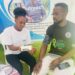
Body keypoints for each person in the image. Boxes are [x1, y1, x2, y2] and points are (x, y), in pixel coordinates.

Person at [32, 3, 75, 75]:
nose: (54, 16)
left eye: (56, 14)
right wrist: (40, 61)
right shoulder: (51, 28)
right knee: (36, 73)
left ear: (65, 13)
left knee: (60, 72)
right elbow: (45, 44)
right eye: (53, 14)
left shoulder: (73, 28)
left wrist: (60, 59)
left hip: (66, 59)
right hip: (51, 56)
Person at [1, 7, 36, 75]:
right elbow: (11, 48)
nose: (22, 25)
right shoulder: (8, 31)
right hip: (10, 54)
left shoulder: (26, 31)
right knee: (19, 67)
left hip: (21, 52)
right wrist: (22, 48)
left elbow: (28, 45)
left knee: (33, 61)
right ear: (15, 20)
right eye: (20, 22)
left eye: (24, 23)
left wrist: (30, 49)